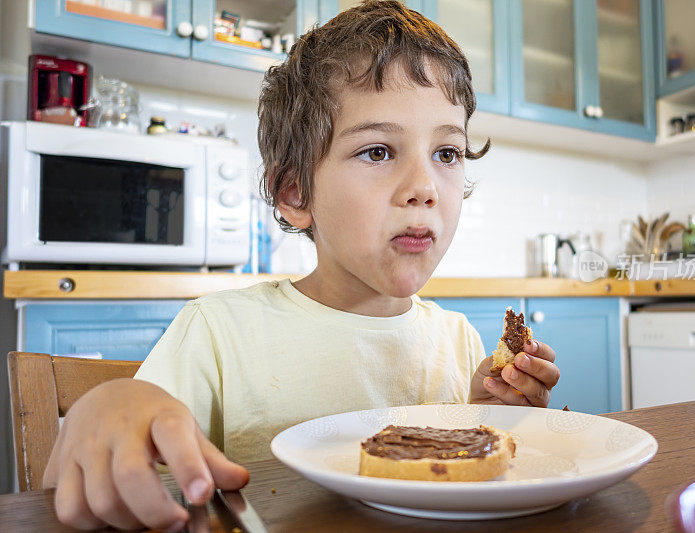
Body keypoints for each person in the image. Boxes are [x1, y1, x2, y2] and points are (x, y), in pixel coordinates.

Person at [43, 2, 560, 530]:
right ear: (295, 192)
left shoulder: (458, 341)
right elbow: (118, 466)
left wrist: (487, 416)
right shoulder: (221, 334)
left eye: (447, 153)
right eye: (379, 151)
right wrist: (108, 405)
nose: (424, 188)